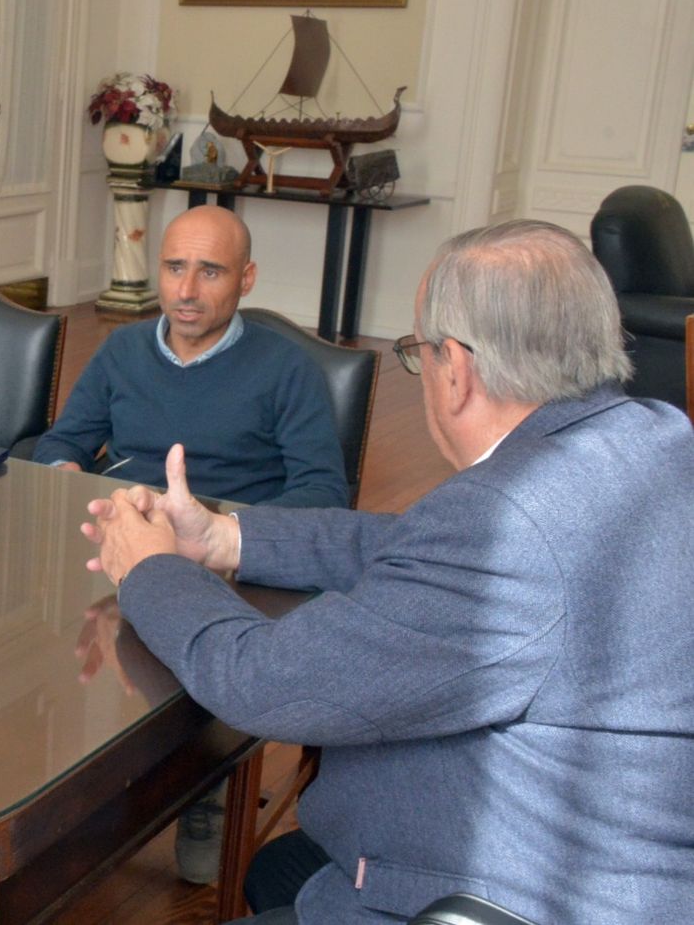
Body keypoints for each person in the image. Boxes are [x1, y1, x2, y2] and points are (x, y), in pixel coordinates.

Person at [82, 220, 694, 923]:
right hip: (617, 850)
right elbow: (415, 549)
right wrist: (226, 537)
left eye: (419, 354)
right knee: (281, 868)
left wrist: (151, 568)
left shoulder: (508, 525)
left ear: (456, 370)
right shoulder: (653, 439)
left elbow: (261, 680)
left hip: (513, 892)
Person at [32, 205, 347, 508]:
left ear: (246, 279)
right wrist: (66, 475)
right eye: (175, 267)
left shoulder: (289, 367)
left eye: (210, 272)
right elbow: (63, 443)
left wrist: (228, 532)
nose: (186, 291)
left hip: (226, 546)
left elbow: (322, 492)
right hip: (127, 527)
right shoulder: (122, 349)